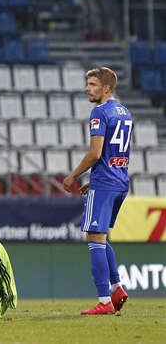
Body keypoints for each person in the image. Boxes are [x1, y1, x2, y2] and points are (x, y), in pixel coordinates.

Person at [62, 67, 132, 315]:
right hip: (120, 182)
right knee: (97, 237)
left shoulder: (99, 112)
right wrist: (97, 179)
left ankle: (105, 300)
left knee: (94, 238)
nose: (87, 89)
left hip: (105, 184)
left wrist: (73, 176)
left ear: (106, 88)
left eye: (92, 84)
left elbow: (95, 153)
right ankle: (117, 288)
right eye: (87, 84)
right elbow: (118, 153)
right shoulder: (125, 113)